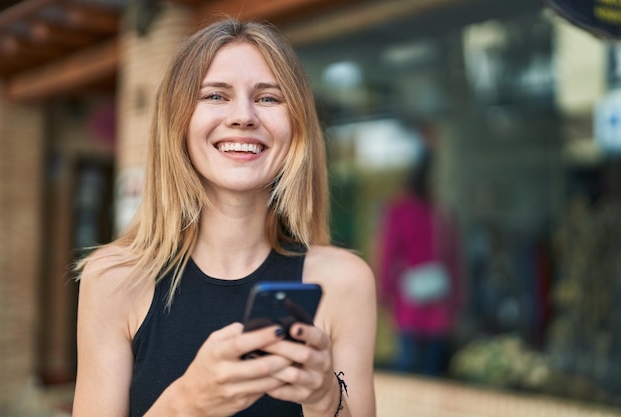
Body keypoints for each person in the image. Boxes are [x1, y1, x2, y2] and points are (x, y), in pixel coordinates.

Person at [72, 18, 377, 417]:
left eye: (268, 98)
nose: (243, 116)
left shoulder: (344, 281)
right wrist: (187, 403)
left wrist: (323, 399)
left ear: (297, 125)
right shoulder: (114, 279)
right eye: (215, 96)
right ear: (177, 122)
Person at [378, 148, 462, 377]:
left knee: (407, 370)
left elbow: (388, 255)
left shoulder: (400, 210)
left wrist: (384, 294)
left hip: (409, 303)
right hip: (439, 305)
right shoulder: (442, 212)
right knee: (432, 372)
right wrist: (456, 302)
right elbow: (453, 261)